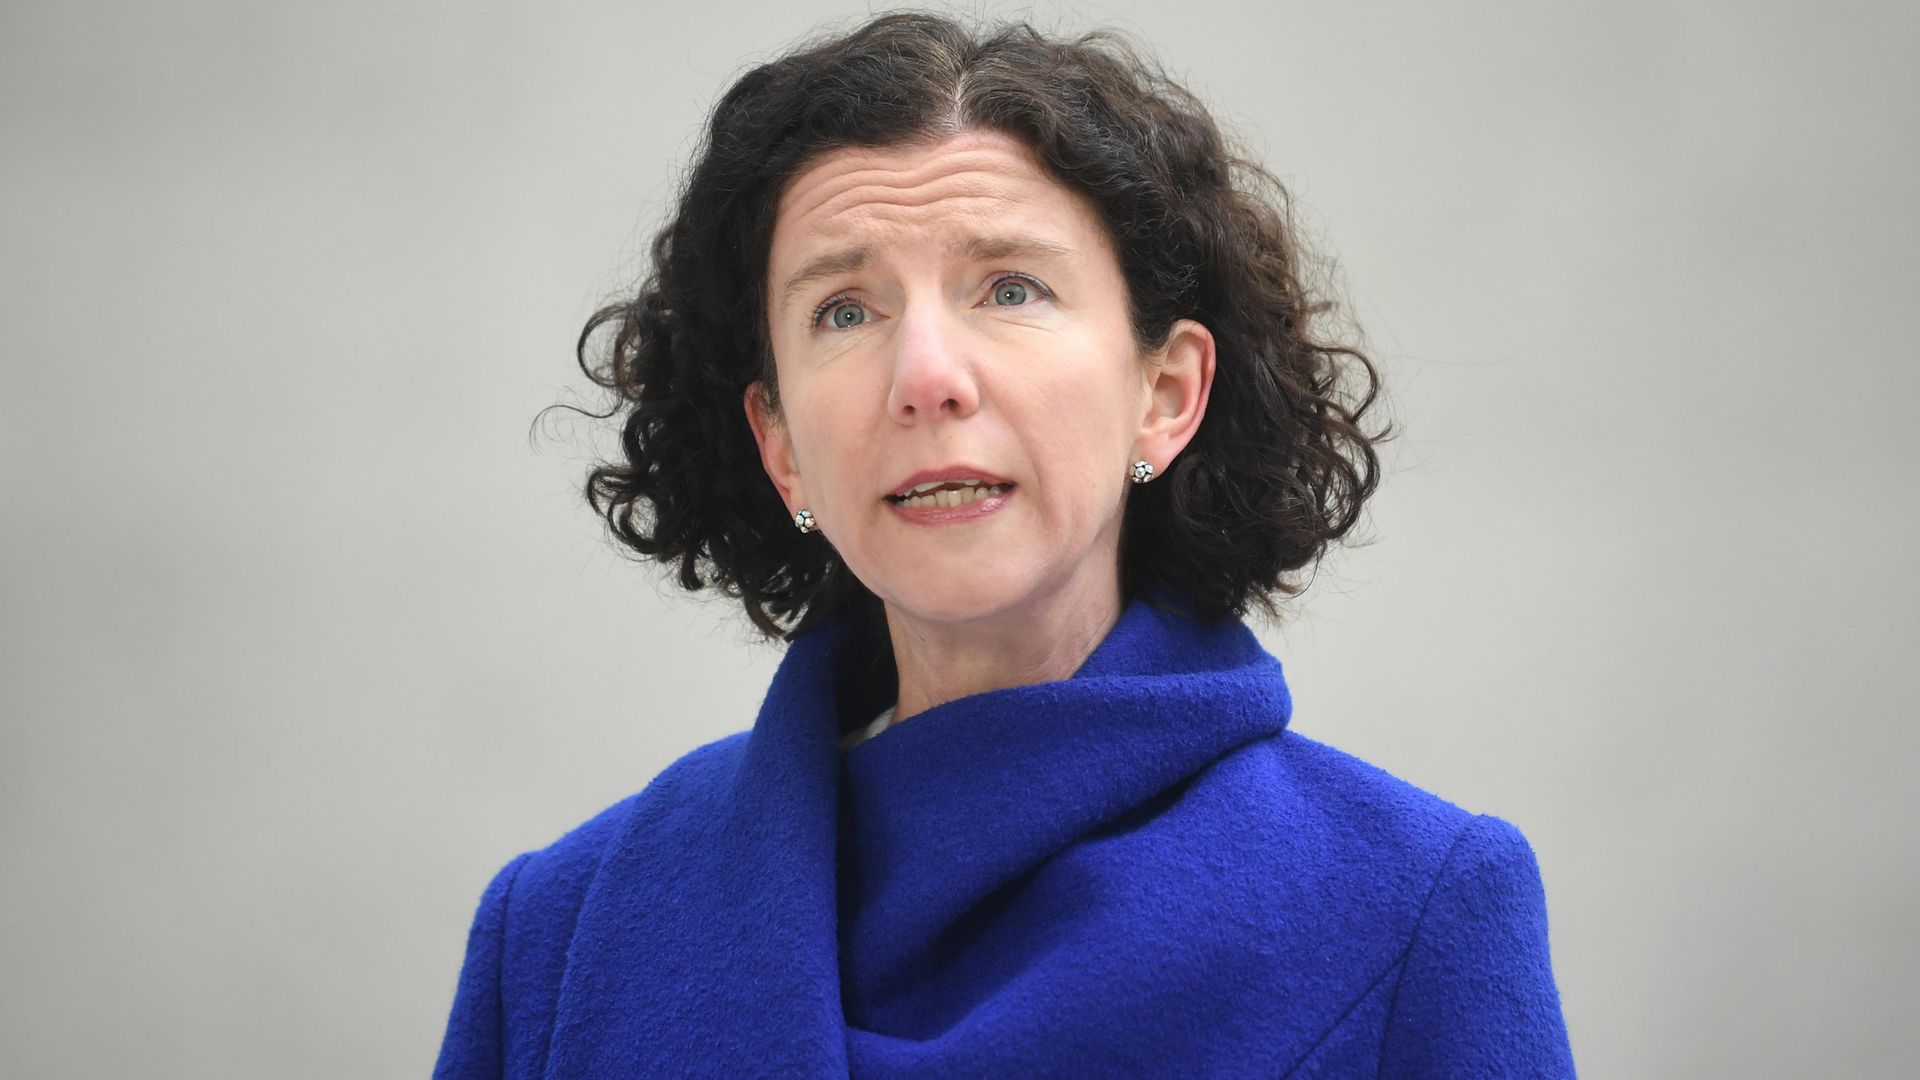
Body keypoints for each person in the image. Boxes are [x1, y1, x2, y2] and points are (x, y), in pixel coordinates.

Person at [432, 11, 1576, 1078]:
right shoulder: (561, 936)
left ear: (1165, 395)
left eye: (1010, 288)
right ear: (780, 444)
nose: (926, 376)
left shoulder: (1413, 907)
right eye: (844, 310)